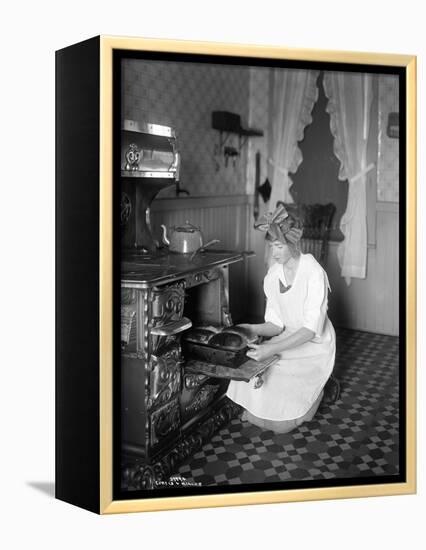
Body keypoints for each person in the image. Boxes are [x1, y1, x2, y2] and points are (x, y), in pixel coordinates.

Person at [226, 204, 336, 433]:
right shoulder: (273, 275)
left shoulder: (313, 272)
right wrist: (249, 328)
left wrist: (270, 350)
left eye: (278, 246)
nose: (273, 254)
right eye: (271, 247)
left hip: (313, 344)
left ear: (293, 244)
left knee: (282, 426)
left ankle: (317, 394)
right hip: (287, 337)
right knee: (253, 370)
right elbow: (276, 325)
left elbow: (309, 330)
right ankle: (270, 410)